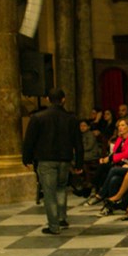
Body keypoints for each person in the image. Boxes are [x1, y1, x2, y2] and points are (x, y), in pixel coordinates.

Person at [22, 88, 84, 235]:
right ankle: (62, 218)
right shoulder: (72, 118)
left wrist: (26, 158)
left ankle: (54, 226)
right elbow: (78, 143)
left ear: (48, 100)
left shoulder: (38, 117)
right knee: (62, 188)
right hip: (65, 159)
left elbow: (29, 141)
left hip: (46, 159)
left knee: (49, 193)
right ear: (63, 99)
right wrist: (79, 163)